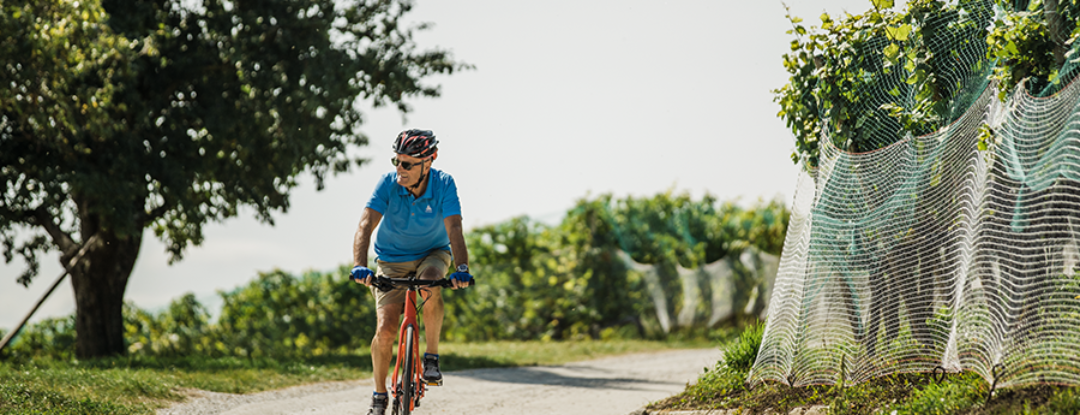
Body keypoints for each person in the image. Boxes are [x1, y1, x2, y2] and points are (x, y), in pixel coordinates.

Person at [351, 129, 474, 415]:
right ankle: (379, 397)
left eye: (407, 164)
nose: (399, 169)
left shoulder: (444, 184)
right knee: (385, 330)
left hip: (432, 254)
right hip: (391, 259)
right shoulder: (387, 184)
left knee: (430, 283)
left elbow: (454, 228)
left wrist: (462, 268)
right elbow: (365, 225)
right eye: (397, 161)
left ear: (429, 161)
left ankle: (431, 357)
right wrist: (360, 264)